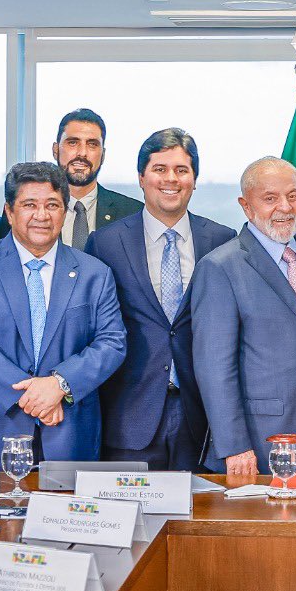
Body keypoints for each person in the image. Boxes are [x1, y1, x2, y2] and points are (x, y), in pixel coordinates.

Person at [0, 162, 126, 468]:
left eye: (52, 205)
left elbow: (112, 342)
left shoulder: (95, 273)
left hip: (68, 435)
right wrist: (35, 396)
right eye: (29, 205)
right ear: (9, 211)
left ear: (64, 211)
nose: (41, 215)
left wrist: (59, 384)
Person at [86, 128, 233, 471]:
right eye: (160, 169)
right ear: (141, 177)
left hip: (202, 417)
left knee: (200, 505)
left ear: (194, 179)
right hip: (128, 415)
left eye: (182, 170)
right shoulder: (105, 243)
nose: (171, 179)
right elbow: (92, 329)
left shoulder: (223, 240)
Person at [192, 157, 296, 476]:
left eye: (292, 196)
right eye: (270, 198)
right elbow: (214, 367)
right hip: (260, 444)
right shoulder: (220, 267)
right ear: (246, 206)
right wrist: (234, 446)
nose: (285, 207)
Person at [51, 108, 143, 249]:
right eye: (73, 143)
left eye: (92, 144)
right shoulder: (31, 211)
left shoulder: (133, 214)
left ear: (103, 155)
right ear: (55, 150)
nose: (82, 153)